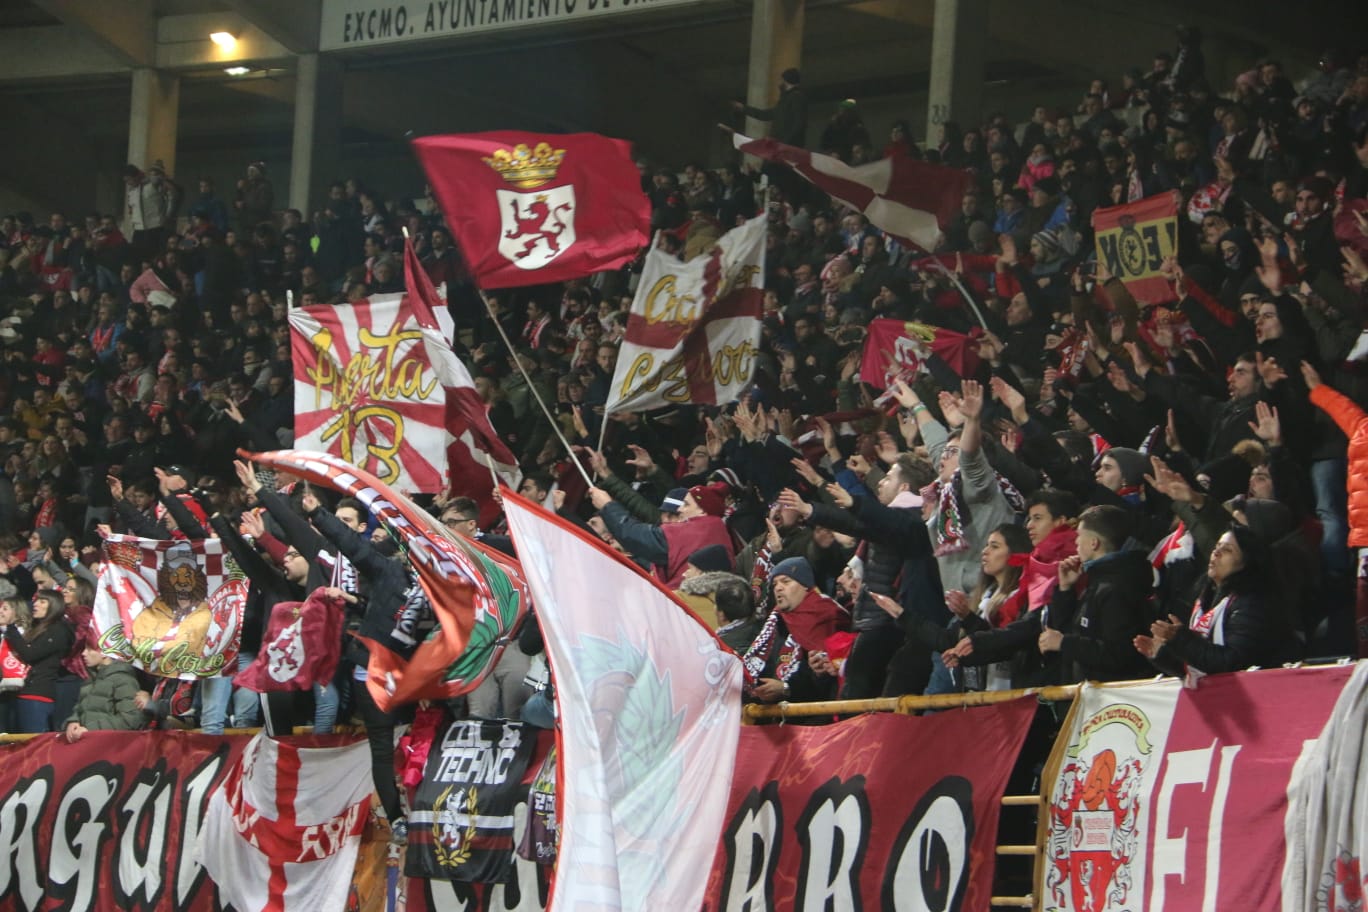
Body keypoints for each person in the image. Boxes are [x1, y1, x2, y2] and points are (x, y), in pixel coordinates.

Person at [1, 588, 75, 732]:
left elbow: (30, 654)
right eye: (36, 600)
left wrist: (10, 628)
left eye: (42, 601)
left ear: (54, 605)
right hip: (22, 691)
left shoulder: (58, 630)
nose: (35, 604)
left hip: (37, 693)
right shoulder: (37, 628)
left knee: (34, 740)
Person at [63, 638, 145, 741]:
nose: (83, 653)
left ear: (105, 652)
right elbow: (80, 708)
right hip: (86, 744)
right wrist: (73, 721)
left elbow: (130, 719)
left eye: (89, 649)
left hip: (109, 745)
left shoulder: (124, 679)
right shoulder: (90, 680)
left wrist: (90, 729)